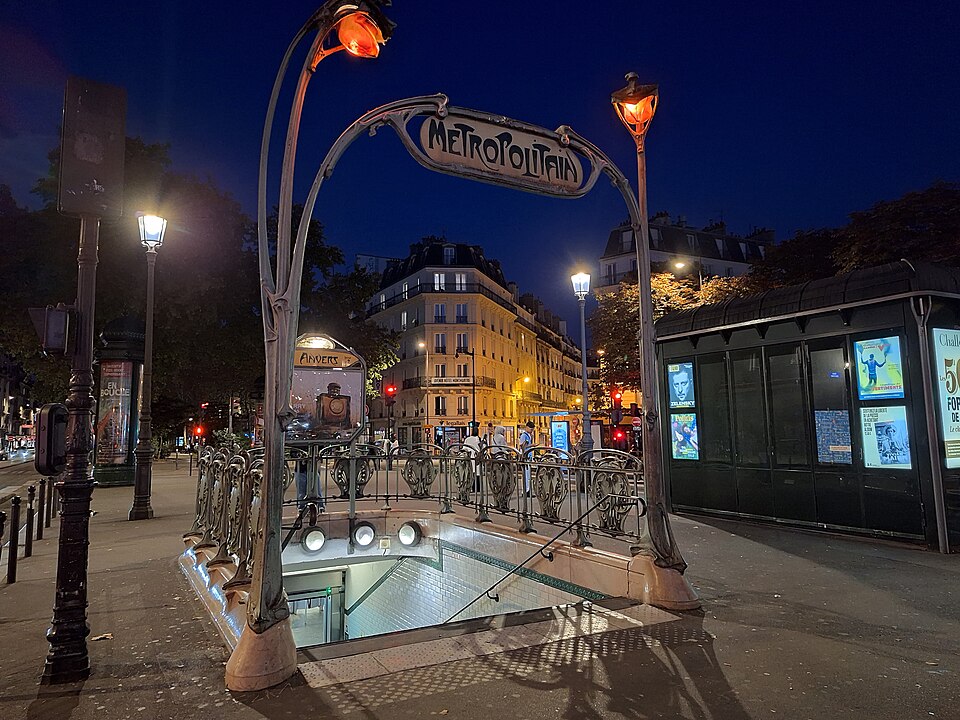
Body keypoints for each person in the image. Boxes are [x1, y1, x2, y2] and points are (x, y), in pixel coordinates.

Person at [463, 427, 483, 491]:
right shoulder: (479, 439)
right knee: (477, 473)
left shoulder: (467, 439)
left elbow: (464, 448)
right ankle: (477, 488)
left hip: (469, 457)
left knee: (470, 472)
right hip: (477, 457)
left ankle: (470, 487)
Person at [519, 421, 534, 494]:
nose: (532, 431)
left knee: (528, 475)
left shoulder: (529, 435)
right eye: (531, 429)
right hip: (526, 457)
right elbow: (522, 446)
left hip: (529, 456)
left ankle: (528, 490)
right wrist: (532, 445)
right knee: (526, 474)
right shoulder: (523, 435)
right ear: (527, 427)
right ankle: (525, 491)